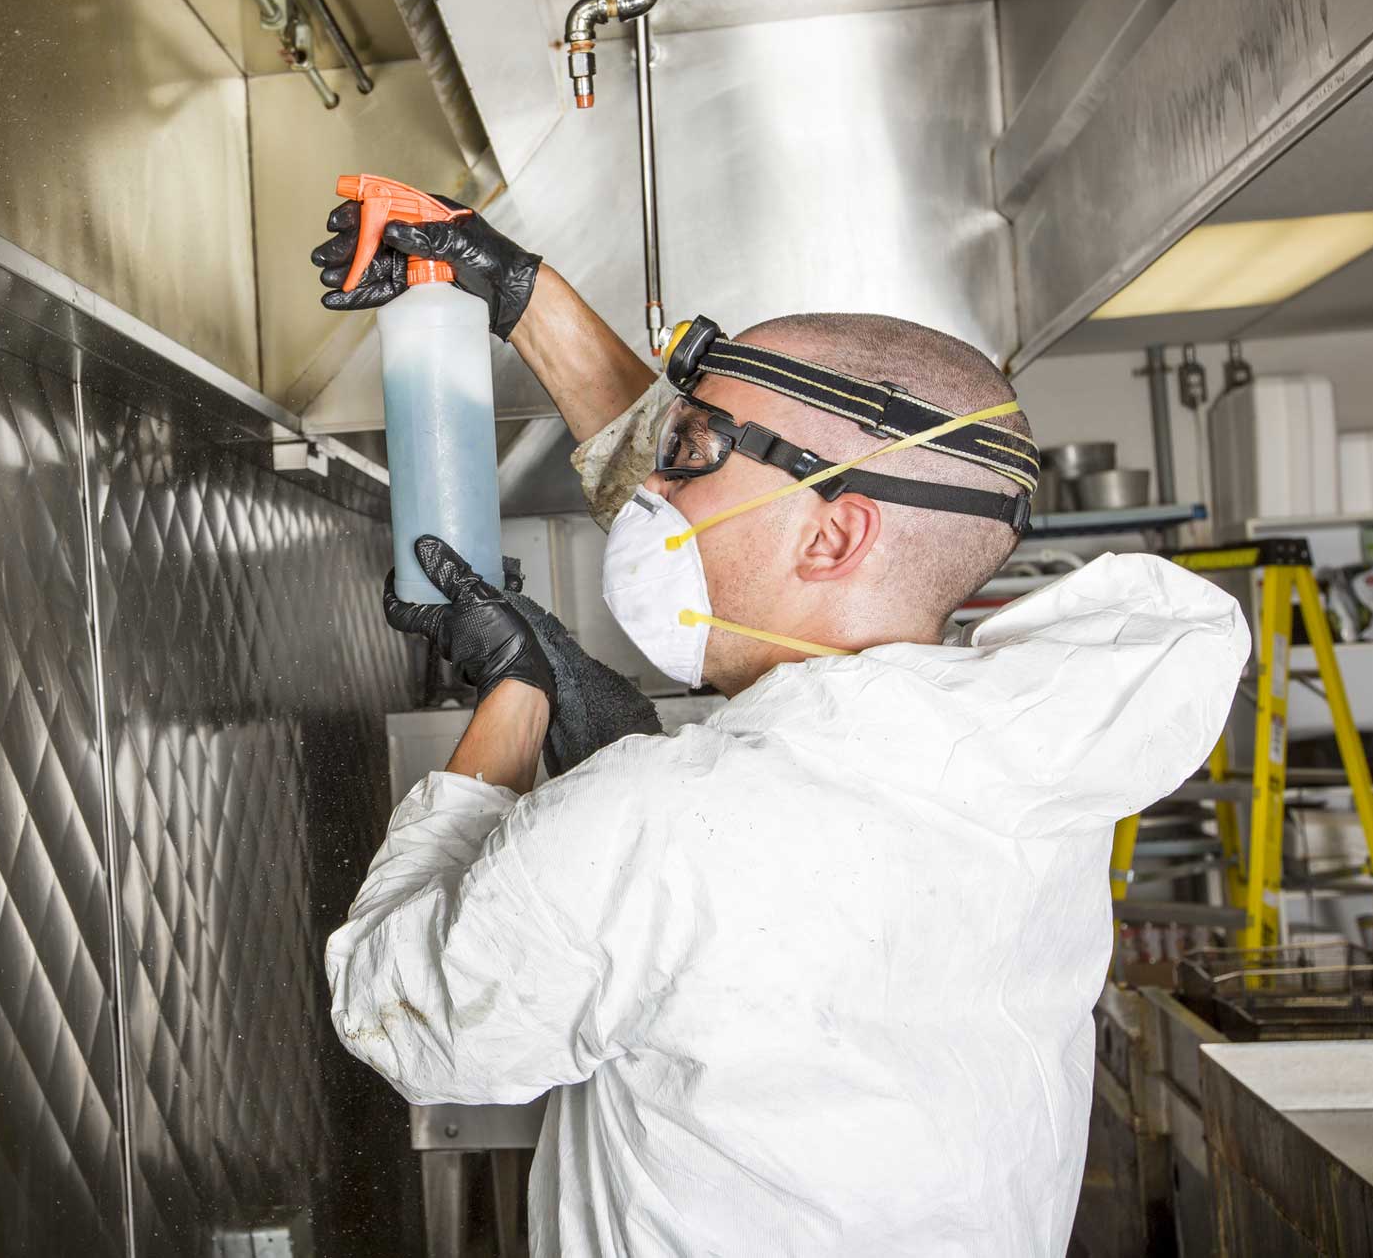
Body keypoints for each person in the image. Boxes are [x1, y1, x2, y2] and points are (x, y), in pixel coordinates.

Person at [313, 198, 1251, 1254]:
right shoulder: (1006, 756)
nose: (653, 490)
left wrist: (514, 693)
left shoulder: (669, 823)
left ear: (834, 537)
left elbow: (407, 1012)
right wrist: (519, 292)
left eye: (690, 449)